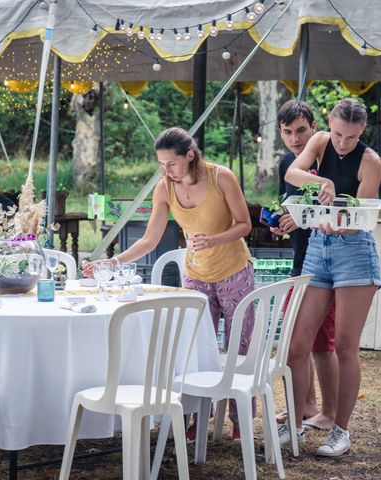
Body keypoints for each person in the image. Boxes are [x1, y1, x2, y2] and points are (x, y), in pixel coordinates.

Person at [82, 127, 254, 441]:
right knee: (192, 347)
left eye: (171, 164)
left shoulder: (221, 177)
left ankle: (240, 418)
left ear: (190, 155)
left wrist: (214, 239)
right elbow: (150, 239)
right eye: (161, 165)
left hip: (234, 271)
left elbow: (245, 224)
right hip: (195, 274)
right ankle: (195, 417)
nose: (166, 171)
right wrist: (112, 262)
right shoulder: (165, 188)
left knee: (239, 346)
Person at [280, 98, 381, 457]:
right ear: (329, 124)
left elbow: (358, 219)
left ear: (362, 132)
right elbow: (293, 172)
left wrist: (335, 212)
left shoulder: (370, 162)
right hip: (317, 249)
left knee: (344, 347)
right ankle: (292, 426)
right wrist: (320, 179)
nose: (342, 143)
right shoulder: (319, 141)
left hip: (354, 253)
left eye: (351, 137)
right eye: (338, 133)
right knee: (296, 345)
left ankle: (340, 431)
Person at [271, 100, 338, 432]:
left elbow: (342, 210)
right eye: (287, 132)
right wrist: (280, 223)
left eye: (300, 130)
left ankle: (329, 413)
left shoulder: (331, 160)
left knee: (322, 344)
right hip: (300, 262)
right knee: (297, 341)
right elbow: (289, 208)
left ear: (314, 127)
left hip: (328, 266)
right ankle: (307, 405)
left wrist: (302, 218)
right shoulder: (287, 163)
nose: (295, 139)